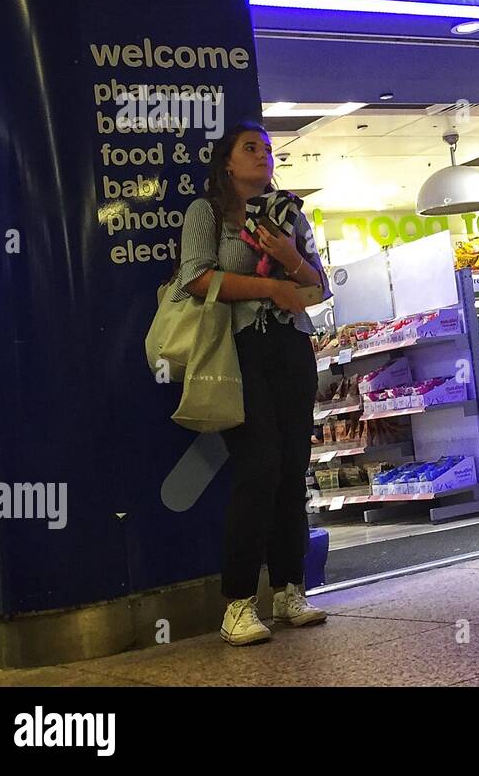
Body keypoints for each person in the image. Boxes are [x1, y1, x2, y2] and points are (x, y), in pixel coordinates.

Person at [174, 122, 330, 646]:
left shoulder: (290, 212)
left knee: (292, 468)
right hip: (237, 350)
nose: (262, 157)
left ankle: (290, 588)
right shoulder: (208, 212)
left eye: (267, 149)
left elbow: (318, 286)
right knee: (259, 466)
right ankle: (238, 603)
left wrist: (289, 258)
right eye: (250, 149)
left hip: (290, 348)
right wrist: (269, 286)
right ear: (226, 163)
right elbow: (195, 277)